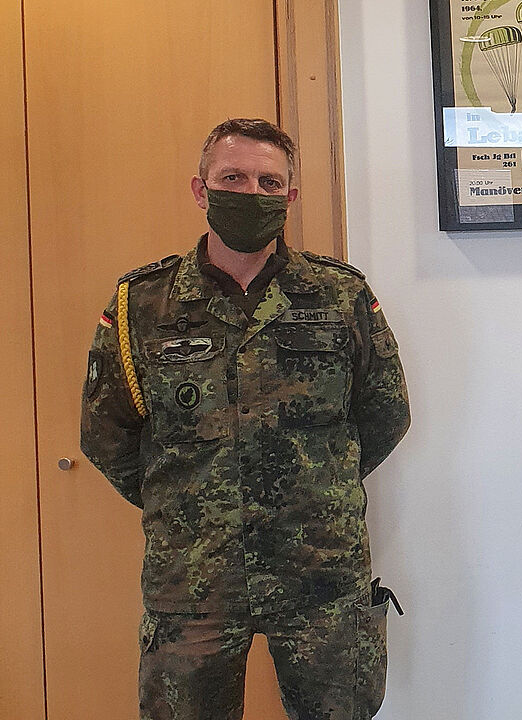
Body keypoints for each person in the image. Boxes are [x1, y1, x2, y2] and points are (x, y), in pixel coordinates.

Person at [81, 118, 411, 720]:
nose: (250, 192)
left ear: (289, 196)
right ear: (200, 189)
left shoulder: (340, 297)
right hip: (193, 576)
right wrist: (189, 500)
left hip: (319, 570)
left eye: (268, 181)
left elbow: (385, 414)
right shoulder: (142, 304)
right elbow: (107, 433)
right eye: (232, 176)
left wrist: (317, 489)